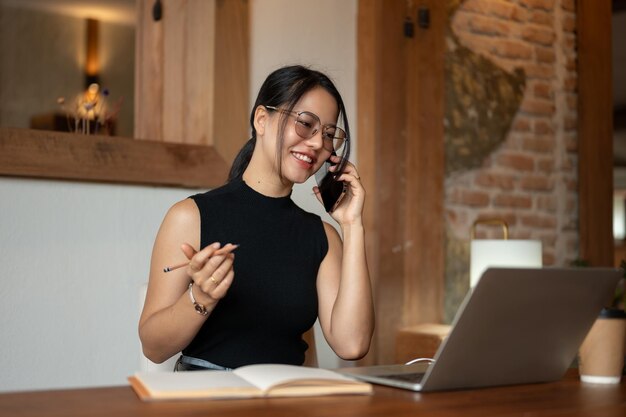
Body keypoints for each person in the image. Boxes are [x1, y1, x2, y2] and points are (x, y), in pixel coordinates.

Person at [139, 65, 374, 371]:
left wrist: (352, 225)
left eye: (329, 134)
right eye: (305, 124)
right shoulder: (190, 217)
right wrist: (201, 296)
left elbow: (352, 344)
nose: (318, 144)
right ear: (262, 119)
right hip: (208, 398)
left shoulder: (323, 238)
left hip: (285, 399)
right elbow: (153, 348)